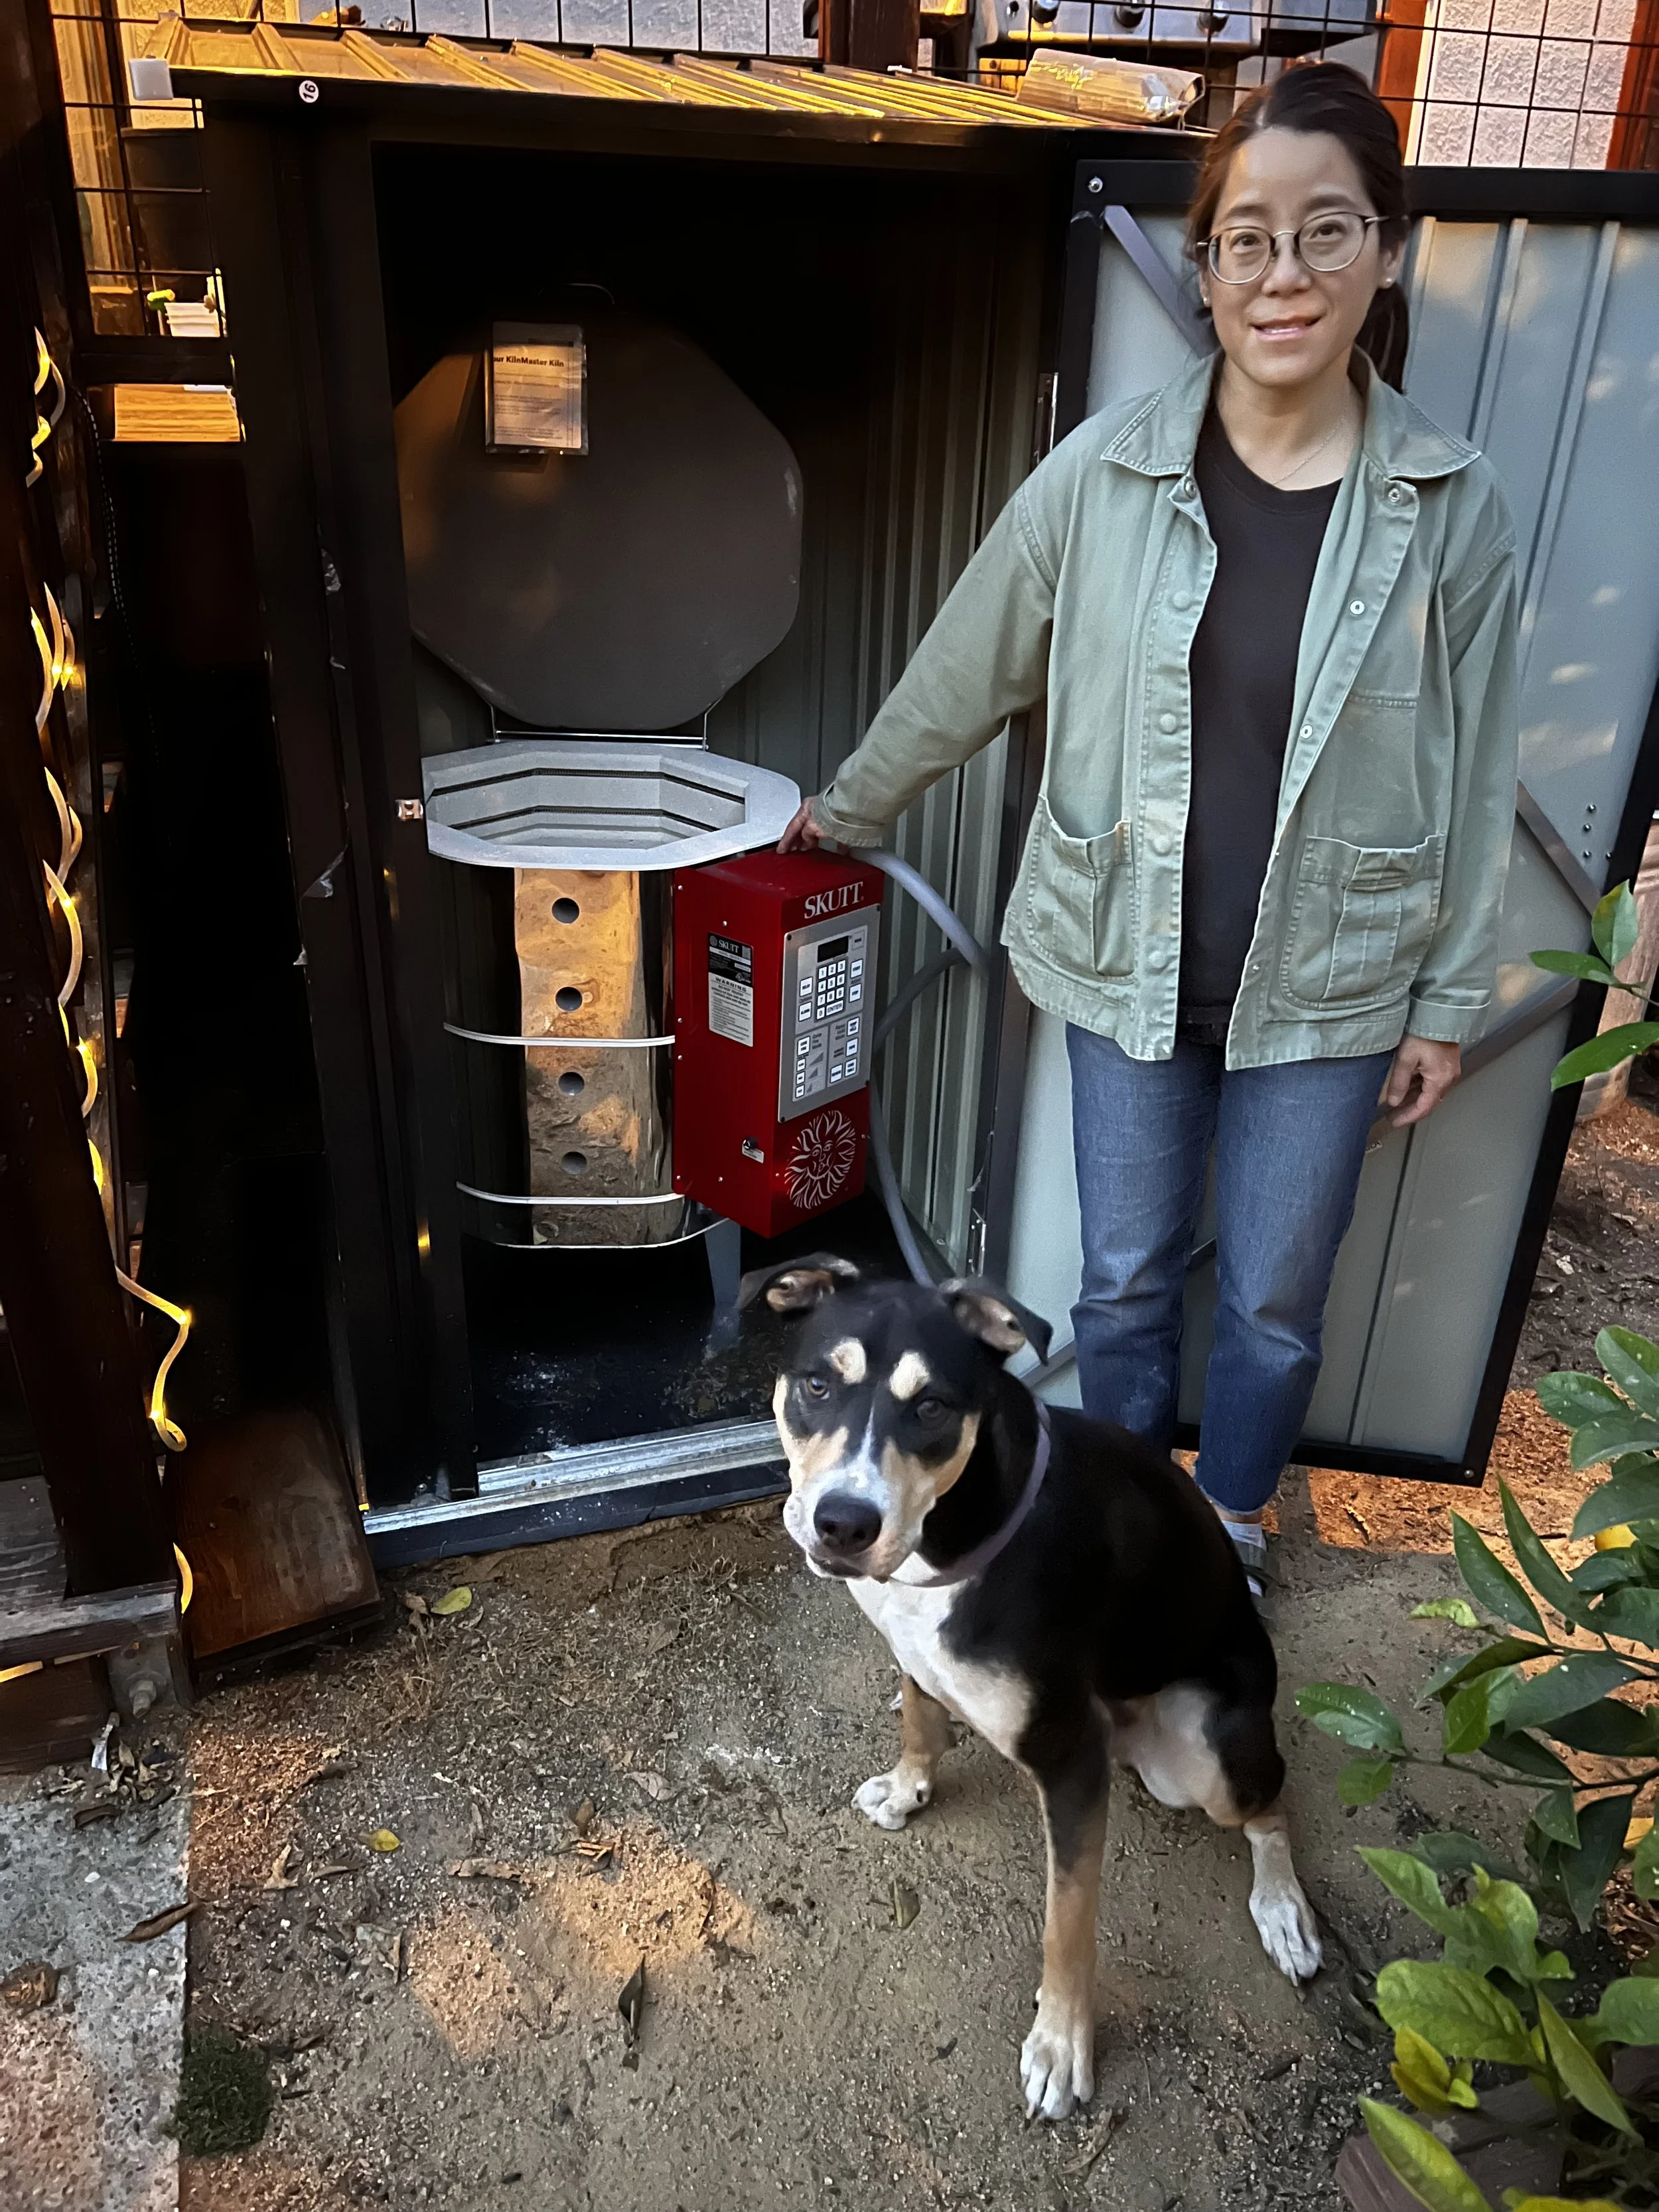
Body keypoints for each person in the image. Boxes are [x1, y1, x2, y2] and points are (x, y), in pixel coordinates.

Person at [777, 62, 1518, 1605]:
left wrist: (1447, 1003)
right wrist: (844, 808)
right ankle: (1109, 1532)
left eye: (1325, 232)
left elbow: (1477, 763)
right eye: (1243, 237)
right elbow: (962, 666)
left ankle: (1231, 1533)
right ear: (1202, 266)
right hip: (1119, 958)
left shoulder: (1452, 506)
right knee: (1118, 1286)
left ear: (1385, 248)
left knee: (1269, 1302)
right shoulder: (1103, 474)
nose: (1281, 274)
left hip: (1328, 985)